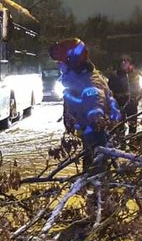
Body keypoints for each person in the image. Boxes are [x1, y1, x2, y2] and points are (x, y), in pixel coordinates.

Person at [49, 38, 120, 175]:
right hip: (88, 131)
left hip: (94, 132)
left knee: (95, 167)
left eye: (61, 63)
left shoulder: (87, 82)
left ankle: (95, 182)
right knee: (92, 162)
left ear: (71, 62)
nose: (60, 66)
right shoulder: (78, 79)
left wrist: (96, 119)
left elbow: (96, 101)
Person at [107, 55, 142, 135]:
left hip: (131, 104)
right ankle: (121, 141)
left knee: (132, 125)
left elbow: (137, 88)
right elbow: (110, 89)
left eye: (125, 61)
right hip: (119, 104)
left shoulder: (134, 75)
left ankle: (132, 140)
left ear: (129, 63)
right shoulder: (114, 75)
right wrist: (115, 98)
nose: (123, 63)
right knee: (120, 126)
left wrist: (136, 98)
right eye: (122, 61)